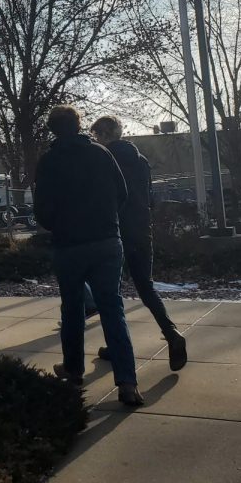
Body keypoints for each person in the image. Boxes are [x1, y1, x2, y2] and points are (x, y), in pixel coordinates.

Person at [34, 105, 143, 407]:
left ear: (53, 129)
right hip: (106, 241)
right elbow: (121, 193)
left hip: (69, 245)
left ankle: (73, 371)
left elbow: (41, 210)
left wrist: (60, 225)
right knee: (112, 309)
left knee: (72, 309)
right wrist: (106, 220)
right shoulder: (100, 154)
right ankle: (128, 382)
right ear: (79, 124)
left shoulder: (48, 162)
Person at [91, 116, 188, 371]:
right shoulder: (140, 160)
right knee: (146, 287)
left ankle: (117, 345)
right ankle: (172, 333)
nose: (95, 141)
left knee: (110, 292)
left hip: (115, 232)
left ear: (103, 135)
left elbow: (103, 198)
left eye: (96, 136)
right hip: (142, 230)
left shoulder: (102, 159)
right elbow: (148, 197)